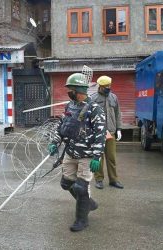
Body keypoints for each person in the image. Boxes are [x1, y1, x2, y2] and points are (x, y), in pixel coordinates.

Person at [48, 72, 106, 232]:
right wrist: (55, 142)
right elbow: (62, 125)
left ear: (78, 90)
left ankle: (82, 220)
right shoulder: (70, 106)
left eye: (70, 89)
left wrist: (97, 156)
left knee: (81, 188)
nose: (68, 92)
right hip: (70, 152)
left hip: (87, 156)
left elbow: (100, 134)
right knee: (65, 183)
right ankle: (88, 203)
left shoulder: (95, 109)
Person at [91, 75, 124, 190]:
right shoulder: (93, 98)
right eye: (106, 86)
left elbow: (118, 114)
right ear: (100, 86)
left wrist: (119, 128)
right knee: (98, 157)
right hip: (98, 133)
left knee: (111, 157)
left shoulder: (114, 97)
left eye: (109, 86)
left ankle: (113, 180)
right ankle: (99, 179)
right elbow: (89, 116)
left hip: (110, 132)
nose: (108, 88)